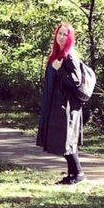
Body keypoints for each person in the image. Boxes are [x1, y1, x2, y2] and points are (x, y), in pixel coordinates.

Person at [36, 21, 86, 184]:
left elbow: (76, 80)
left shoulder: (70, 55)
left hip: (67, 105)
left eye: (66, 34)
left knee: (66, 139)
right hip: (56, 103)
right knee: (62, 138)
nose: (62, 37)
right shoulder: (56, 54)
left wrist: (60, 70)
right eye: (60, 33)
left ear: (71, 37)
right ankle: (73, 174)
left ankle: (78, 174)